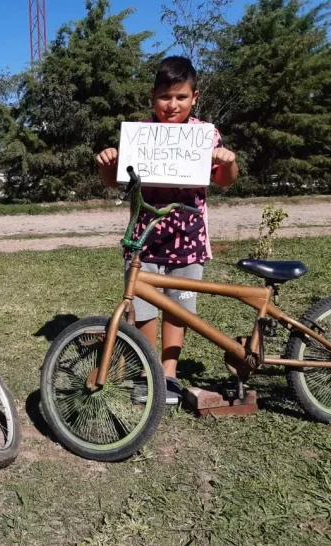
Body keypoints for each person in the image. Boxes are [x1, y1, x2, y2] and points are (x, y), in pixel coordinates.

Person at [95, 56, 238, 405]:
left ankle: (168, 374)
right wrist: (107, 164)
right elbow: (117, 183)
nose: (172, 105)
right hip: (144, 237)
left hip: (188, 238)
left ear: (194, 97)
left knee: (179, 310)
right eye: (164, 97)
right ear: (152, 97)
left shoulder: (207, 135)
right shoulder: (139, 135)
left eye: (181, 97)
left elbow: (223, 181)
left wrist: (229, 162)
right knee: (144, 308)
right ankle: (149, 371)